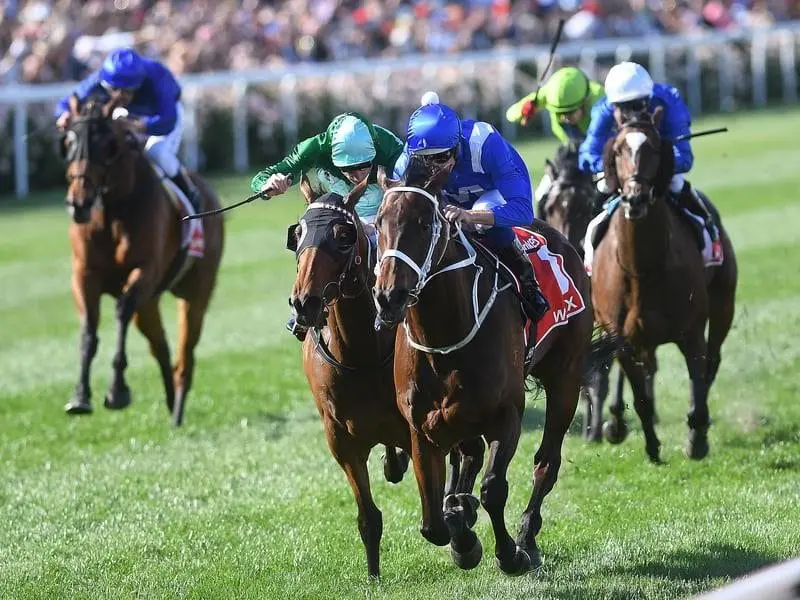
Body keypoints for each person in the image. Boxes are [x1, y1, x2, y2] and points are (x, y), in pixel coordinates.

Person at [393, 92, 549, 325]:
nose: (433, 167)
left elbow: (523, 211)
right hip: (448, 196)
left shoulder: (485, 144)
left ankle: (526, 279)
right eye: (425, 160)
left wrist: (470, 215)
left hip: (492, 191)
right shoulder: (407, 161)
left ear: (456, 147)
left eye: (441, 157)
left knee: (480, 215)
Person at [250, 111, 405, 340]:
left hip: (385, 209)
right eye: (349, 168)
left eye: (364, 166)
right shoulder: (315, 147)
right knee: (316, 236)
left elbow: (412, 192)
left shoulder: (389, 146)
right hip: (341, 212)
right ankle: (306, 303)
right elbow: (261, 179)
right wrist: (269, 185)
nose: (358, 174)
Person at [578, 61, 721, 259]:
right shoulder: (604, 110)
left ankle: (710, 237)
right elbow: (586, 156)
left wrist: (650, 166)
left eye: (637, 106)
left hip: (659, 169)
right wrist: (620, 166)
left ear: (649, 99)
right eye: (623, 108)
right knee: (602, 188)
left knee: (677, 183)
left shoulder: (669, 101)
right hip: (625, 171)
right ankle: (585, 252)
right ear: (613, 105)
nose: (631, 115)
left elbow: (684, 158)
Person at [55, 47, 201, 212]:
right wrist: (63, 114)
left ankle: (188, 191)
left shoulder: (158, 76)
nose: (119, 96)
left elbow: (168, 120)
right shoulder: (101, 77)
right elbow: (67, 101)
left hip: (159, 117)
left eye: (126, 91)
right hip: (127, 116)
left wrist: (142, 126)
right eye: (114, 90)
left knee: (157, 152)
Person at [506, 67, 605, 216]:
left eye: (569, 112)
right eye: (559, 113)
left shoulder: (602, 100)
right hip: (572, 154)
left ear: (585, 102)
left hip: (600, 156)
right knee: (542, 194)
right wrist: (526, 109)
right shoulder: (549, 95)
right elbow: (510, 114)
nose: (564, 118)